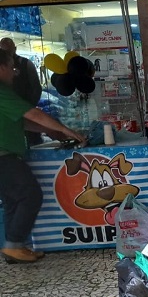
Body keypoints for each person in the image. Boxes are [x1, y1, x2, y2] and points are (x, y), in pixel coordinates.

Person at [0, 47, 86, 264]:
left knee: (13, 200)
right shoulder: (1, 91)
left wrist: (51, 131)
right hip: (3, 156)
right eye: (11, 67)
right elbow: (32, 113)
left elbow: (22, 121)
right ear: (1, 69)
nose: (15, 72)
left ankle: (14, 246)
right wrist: (65, 129)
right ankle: (13, 245)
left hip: (7, 153)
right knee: (30, 195)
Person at [0, 37, 44, 146]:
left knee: (33, 141)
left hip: (26, 106)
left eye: (9, 50)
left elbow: (36, 88)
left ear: (15, 49)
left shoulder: (26, 64)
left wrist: (29, 107)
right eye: (4, 50)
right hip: (13, 112)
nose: (13, 73)